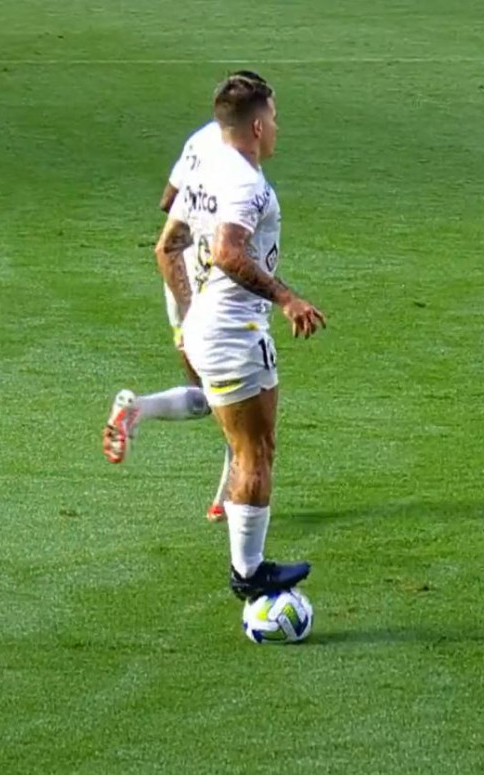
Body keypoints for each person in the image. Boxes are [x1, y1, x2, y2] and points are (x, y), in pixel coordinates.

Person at [153, 73, 326, 599]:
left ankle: (245, 563)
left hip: (209, 323)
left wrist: (187, 317)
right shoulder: (247, 185)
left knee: (251, 447)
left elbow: (169, 243)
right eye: (273, 117)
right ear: (256, 125)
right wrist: (287, 297)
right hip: (234, 332)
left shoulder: (205, 167)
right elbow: (229, 252)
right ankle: (248, 574)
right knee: (255, 453)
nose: (277, 126)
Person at [101, 71, 269, 524]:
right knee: (237, 399)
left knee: (211, 393)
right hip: (216, 290)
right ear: (255, 119)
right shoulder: (237, 164)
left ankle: (141, 412)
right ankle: (228, 502)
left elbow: (167, 202)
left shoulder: (201, 140)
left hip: (180, 276)